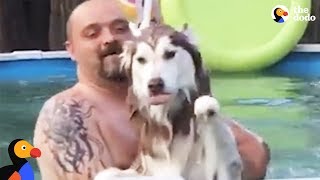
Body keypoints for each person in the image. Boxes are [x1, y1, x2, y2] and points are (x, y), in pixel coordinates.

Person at [33, 0, 270, 179]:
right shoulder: (65, 114)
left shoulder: (174, 98)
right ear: (71, 50)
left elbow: (257, 152)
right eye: (92, 34)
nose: (109, 39)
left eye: (120, 28)